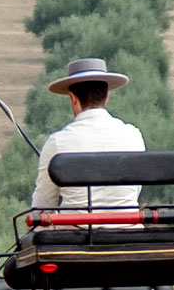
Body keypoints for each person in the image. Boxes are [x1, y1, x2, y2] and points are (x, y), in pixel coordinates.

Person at [30, 57, 144, 210]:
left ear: (73, 98)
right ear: (106, 96)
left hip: (76, 232)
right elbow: (134, 192)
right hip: (128, 230)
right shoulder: (133, 135)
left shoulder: (57, 142)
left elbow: (43, 205)